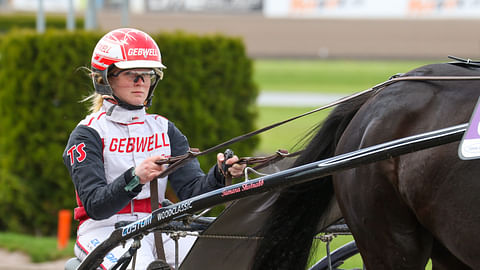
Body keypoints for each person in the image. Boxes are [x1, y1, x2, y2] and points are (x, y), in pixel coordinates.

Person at [63, 28, 246, 270]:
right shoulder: (88, 134)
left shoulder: (165, 129)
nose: (140, 82)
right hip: (104, 231)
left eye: (146, 75)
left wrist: (220, 174)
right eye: (130, 74)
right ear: (104, 79)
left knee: (223, 260)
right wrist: (134, 178)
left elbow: (192, 193)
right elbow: (96, 206)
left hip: (158, 226)